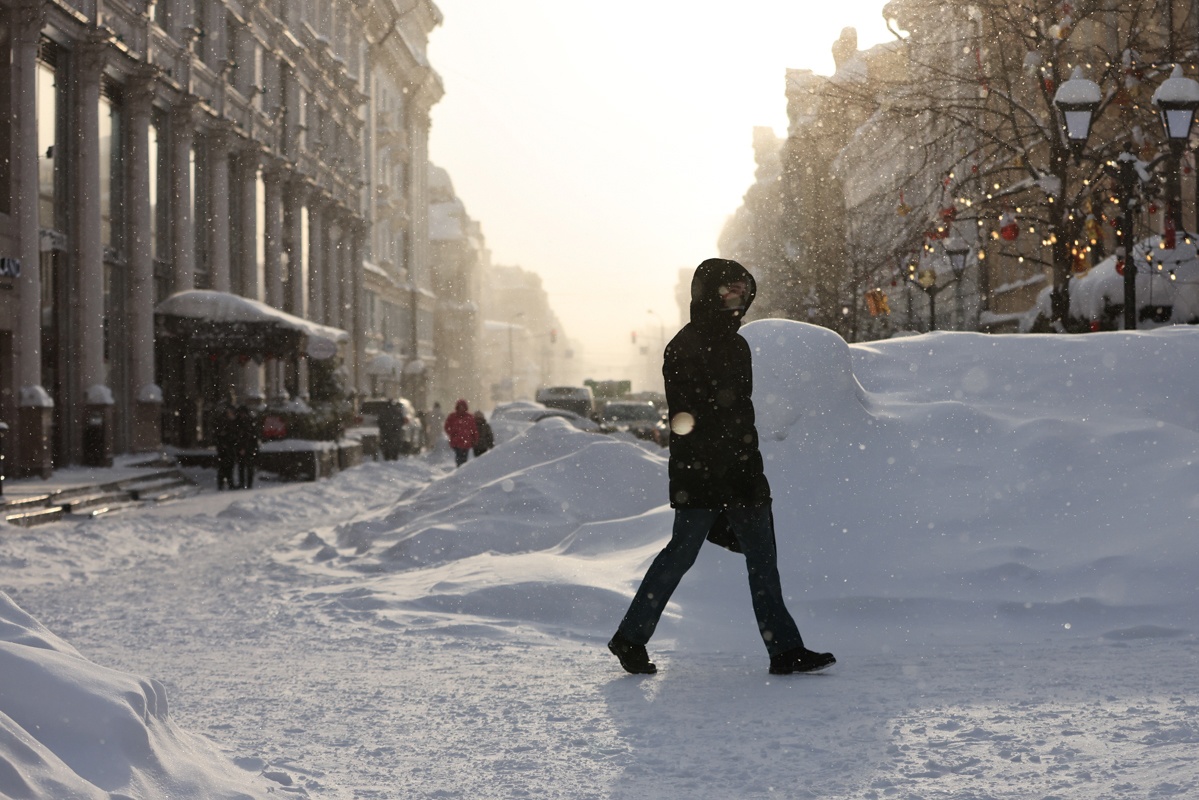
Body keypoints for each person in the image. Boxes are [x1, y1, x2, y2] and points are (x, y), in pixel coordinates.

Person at [607, 258, 835, 676]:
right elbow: (688, 421)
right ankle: (629, 638)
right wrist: (715, 479)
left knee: (764, 560)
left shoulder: (737, 345)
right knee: (680, 555)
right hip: (702, 475)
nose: (738, 299)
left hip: (745, 471)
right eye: (729, 291)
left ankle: (784, 650)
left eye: (742, 292)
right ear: (707, 294)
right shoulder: (684, 346)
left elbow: (739, 414)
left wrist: (746, 466)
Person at [443, 399, 478, 468]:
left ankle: (462, 472)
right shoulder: (452, 416)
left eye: (463, 406)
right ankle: (459, 470)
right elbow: (447, 426)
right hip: (457, 442)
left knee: (464, 459)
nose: (461, 408)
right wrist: (452, 433)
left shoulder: (469, 417)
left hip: (466, 442)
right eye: (460, 406)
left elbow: (474, 429)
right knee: (459, 457)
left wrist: (475, 439)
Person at [235, 404, 260, 490]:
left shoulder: (248, 422)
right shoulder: (241, 422)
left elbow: (249, 437)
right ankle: (243, 483)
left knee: (248, 468)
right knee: (242, 467)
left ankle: (248, 484)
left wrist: (244, 448)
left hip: (249, 448)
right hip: (245, 448)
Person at [214, 405, 239, 491]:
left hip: (229, 449)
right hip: (224, 450)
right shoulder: (223, 422)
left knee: (229, 467)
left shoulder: (232, 422)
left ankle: (229, 483)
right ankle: (221, 484)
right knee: (223, 468)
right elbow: (220, 435)